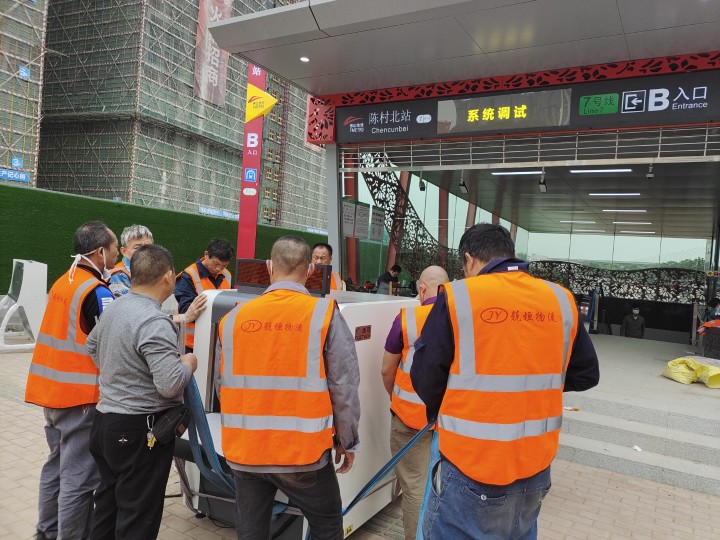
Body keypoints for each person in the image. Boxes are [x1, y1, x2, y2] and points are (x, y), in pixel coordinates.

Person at [411, 223, 600, 539]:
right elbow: (586, 374)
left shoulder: (460, 296)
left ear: (469, 259)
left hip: (470, 464)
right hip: (535, 468)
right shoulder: (560, 298)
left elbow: (426, 377)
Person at [218, 235, 360, 539]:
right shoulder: (323, 314)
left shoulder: (233, 318)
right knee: (327, 523)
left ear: (270, 267)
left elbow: (222, 385)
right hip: (303, 455)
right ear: (310, 270)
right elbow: (344, 386)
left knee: (251, 529)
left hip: (245, 452)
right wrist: (347, 441)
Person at [86, 244, 197, 539]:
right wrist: (188, 363)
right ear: (168, 277)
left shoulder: (116, 306)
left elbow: (91, 344)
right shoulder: (154, 321)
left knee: (107, 508)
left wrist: (118, 374)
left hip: (105, 424)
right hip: (138, 432)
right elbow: (169, 384)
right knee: (137, 519)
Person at [25, 221, 118, 540]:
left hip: (52, 395)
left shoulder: (64, 282)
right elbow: (112, 343)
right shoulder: (96, 291)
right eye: (114, 249)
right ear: (100, 252)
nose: (117, 256)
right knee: (79, 479)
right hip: (80, 400)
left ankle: (46, 531)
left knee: (56, 467)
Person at [380, 265, 449, 540]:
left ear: (421, 289)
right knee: (443, 488)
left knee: (415, 489)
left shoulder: (407, 319)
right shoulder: (462, 319)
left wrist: (396, 399)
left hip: (410, 423)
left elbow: (387, 370)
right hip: (451, 425)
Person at [175, 238, 234, 351]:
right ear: (206, 254)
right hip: (191, 343)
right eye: (215, 263)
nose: (218, 269)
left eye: (224, 265)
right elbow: (185, 310)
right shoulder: (189, 275)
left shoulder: (227, 275)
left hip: (216, 342)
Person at [108, 224, 153, 298]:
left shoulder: (157, 269)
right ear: (124, 251)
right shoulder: (118, 275)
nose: (144, 251)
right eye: (137, 248)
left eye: (148, 247)